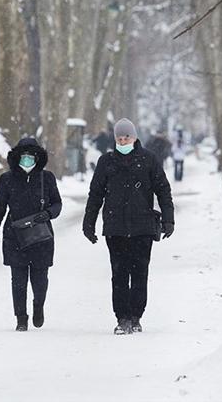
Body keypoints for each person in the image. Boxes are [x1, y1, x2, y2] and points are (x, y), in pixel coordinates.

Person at [82, 118, 175, 335]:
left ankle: (136, 316)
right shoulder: (106, 162)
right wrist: (89, 223)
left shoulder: (148, 159)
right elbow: (95, 194)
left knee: (140, 273)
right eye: (119, 138)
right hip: (115, 228)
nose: (123, 141)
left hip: (143, 227)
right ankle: (122, 317)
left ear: (134, 138)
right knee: (119, 274)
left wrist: (168, 220)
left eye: (127, 137)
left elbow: (163, 190)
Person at [0, 137, 62, 332]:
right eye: (23, 155)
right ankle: (21, 317)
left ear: (37, 157)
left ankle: (38, 305)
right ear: (17, 156)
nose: (27, 159)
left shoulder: (47, 178)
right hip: (14, 236)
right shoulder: (7, 179)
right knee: (18, 281)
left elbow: (57, 204)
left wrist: (48, 214)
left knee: (40, 279)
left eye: (31, 155)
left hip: (41, 236)